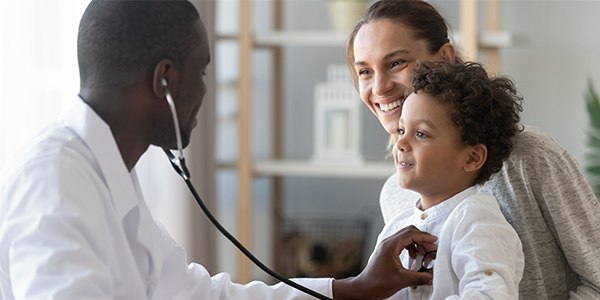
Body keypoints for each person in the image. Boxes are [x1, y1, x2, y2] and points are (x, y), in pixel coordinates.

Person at [0, 1, 438, 299]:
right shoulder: (54, 185)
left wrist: (356, 287)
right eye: (203, 72)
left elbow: (200, 294)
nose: (206, 92)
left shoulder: (107, 175)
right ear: (165, 81)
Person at [347, 0, 600, 299]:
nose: (378, 87)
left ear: (443, 58)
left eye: (396, 63)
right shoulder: (398, 194)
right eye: (364, 71)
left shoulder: (530, 157)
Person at [372, 60, 524, 299]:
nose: (400, 144)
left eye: (421, 134)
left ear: (472, 157)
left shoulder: (478, 221)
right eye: (402, 130)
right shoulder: (396, 228)